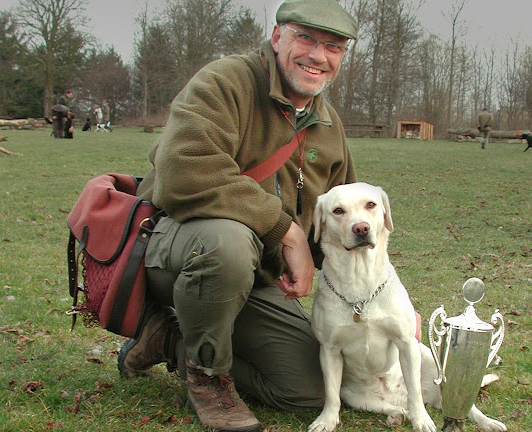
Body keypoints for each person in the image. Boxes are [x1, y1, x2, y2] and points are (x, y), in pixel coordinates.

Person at [117, 1, 359, 431]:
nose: (318, 56)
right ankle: (208, 379)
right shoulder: (226, 81)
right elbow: (181, 169)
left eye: (333, 46)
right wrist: (285, 230)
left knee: (311, 390)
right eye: (305, 38)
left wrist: (380, 301)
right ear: (277, 37)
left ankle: (166, 339)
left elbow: (345, 222)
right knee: (227, 242)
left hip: (260, 280)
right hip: (178, 255)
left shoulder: (327, 123)